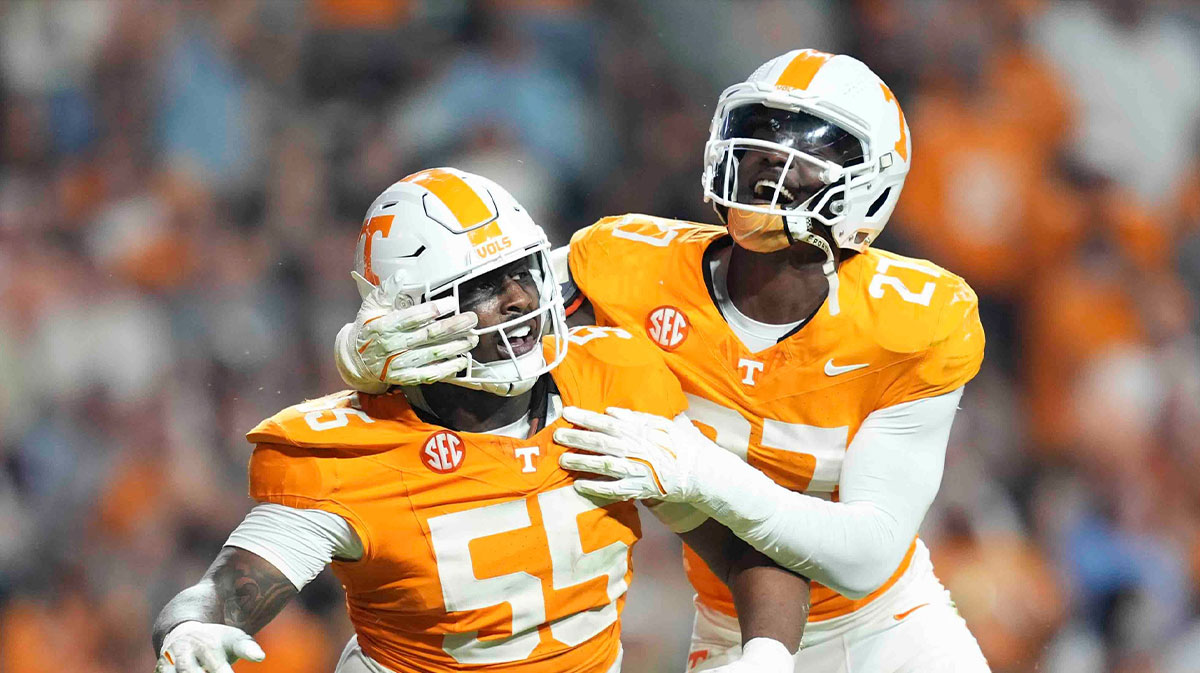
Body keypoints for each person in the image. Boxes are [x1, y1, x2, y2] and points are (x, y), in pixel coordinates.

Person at [334, 50, 991, 672]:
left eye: (811, 149)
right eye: (761, 134)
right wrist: (367, 355)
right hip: (737, 620)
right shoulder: (626, 260)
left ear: (873, 184)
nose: (771, 162)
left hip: (889, 624)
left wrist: (702, 472)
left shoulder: (918, 319)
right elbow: (485, 307)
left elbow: (866, 553)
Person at [151, 168, 807, 673]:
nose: (520, 297)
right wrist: (191, 629)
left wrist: (767, 655)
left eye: (523, 271)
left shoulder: (613, 380)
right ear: (413, 314)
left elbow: (753, 547)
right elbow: (223, 591)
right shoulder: (347, 452)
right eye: (485, 286)